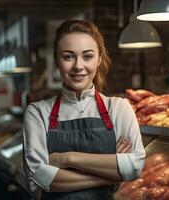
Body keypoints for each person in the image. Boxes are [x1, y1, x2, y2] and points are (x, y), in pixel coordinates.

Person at [23, 20, 146, 200]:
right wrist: (111, 176)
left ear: (99, 59)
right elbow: (39, 177)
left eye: (87, 56)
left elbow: (134, 166)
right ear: (57, 61)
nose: (78, 66)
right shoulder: (37, 112)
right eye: (68, 57)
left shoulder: (119, 108)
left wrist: (67, 159)